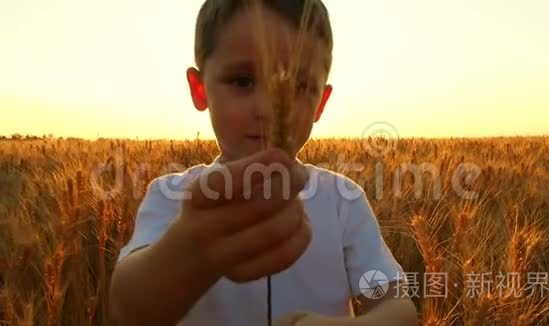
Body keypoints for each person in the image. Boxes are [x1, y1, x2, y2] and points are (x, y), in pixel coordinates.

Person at [109, 1, 417, 325]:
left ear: (321, 104)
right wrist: (191, 249)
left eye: (298, 87)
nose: (269, 109)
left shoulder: (343, 200)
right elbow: (125, 309)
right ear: (200, 90)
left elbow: (399, 308)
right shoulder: (176, 197)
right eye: (243, 81)